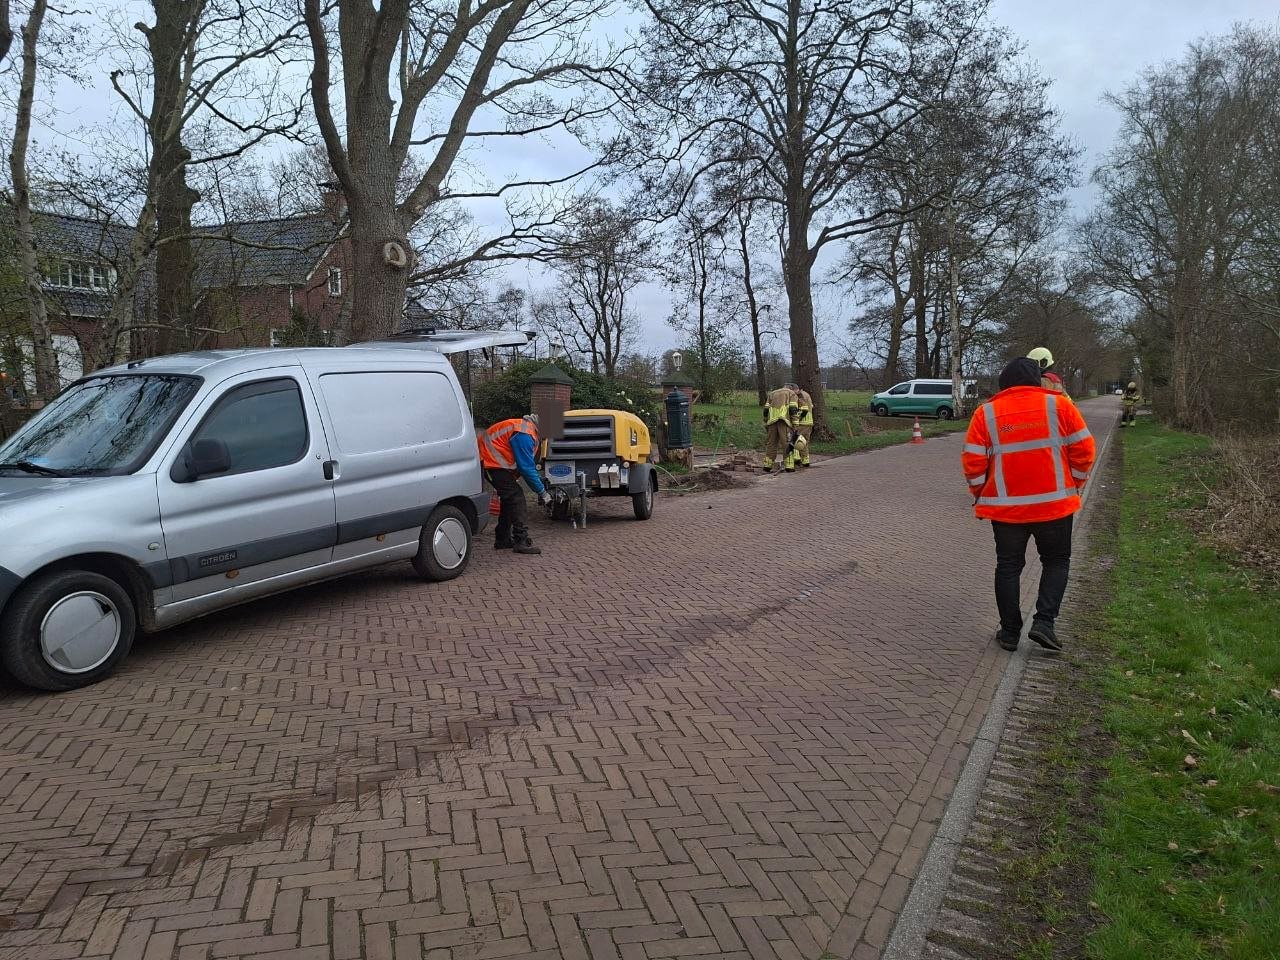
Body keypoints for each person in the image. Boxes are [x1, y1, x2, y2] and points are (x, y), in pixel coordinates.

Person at [962, 357, 1096, 653]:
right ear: (1038, 382)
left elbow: (973, 462)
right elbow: (1085, 450)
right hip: (1054, 508)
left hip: (1007, 511)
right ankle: (1044, 623)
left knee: (1008, 566)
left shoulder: (986, 413)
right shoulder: (1060, 406)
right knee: (1056, 561)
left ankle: (1010, 632)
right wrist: (1074, 484)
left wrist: (980, 492)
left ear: (1003, 383)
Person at [477, 413, 549, 555]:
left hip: (490, 463)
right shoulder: (525, 433)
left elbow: (526, 464)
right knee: (517, 498)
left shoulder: (526, 429)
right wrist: (542, 492)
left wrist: (540, 484)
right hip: (490, 464)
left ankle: (502, 539)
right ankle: (520, 540)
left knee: (509, 499)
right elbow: (526, 468)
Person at [762, 383, 798, 473]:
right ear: (792, 388)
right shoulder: (791, 393)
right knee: (787, 443)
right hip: (784, 421)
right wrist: (795, 424)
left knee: (771, 443)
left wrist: (766, 420)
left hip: (771, 422)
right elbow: (793, 409)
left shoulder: (772, 393)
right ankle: (789, 466)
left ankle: (767, 465)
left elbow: (766, 409)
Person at [793, 387, 814, 467]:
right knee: (805, 442)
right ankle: (805, 461)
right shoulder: (806, 394)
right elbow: (810, 407)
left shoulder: (800, 396)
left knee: (796, 440)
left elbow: (804, 410)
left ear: (796, 389)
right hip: (809, 422)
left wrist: (796, 418)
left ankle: (796, 459)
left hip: (802, 423)